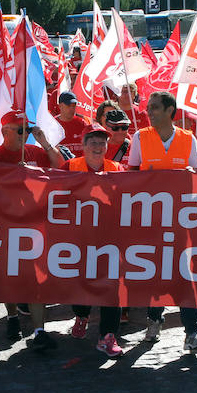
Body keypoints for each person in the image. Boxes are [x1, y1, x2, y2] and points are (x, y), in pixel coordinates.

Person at [127, 91, 197, 352]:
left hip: (181, 219)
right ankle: (154, 320)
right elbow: (132, 177)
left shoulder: (188, 138)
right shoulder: (140, 138)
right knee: (156, 272)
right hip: (152, 220)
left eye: (155, 108)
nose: (149, 113)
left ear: (171, 110)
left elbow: (196, 176)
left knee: (185, 274)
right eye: (148, 108)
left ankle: (192, 331)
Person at [0, 110, 63, 350]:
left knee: (35, 278)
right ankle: (11, 317)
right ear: (4, 132)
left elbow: (60, 166)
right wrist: (13, 176)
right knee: (11, 276)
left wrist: (44, 141)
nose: (25, 134)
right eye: (20, 130)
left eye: (27, 129)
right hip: (8, 224)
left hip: (35, 224)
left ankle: (39, 330)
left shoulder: (34, 151)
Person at [63, 124, 124, 358]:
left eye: (102, 143)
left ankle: (108, 336)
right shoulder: (70, 166)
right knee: (81, 282)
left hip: (110, 239)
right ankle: (81, 314)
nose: (98, 147)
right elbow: (53, 192)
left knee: (112, 287)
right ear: (83, 145)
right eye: (93, 142)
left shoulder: (118, 168)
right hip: (79, 238)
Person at [56, 91, 90, 157]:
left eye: (74, 105)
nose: (72, 109)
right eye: (68, 105)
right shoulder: (53, 124)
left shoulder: (82, 124)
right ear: (60, 106)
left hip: (79, 165)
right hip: (61, 166)